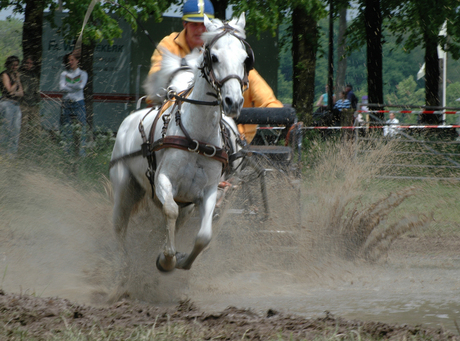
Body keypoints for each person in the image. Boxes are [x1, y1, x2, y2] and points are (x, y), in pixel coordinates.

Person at [148, 0, 283, 145]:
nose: (200, 30)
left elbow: (263, 95)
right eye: (194, 24)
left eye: (204, 25)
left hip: (232, 143)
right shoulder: (169, 45)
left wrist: (279, 116)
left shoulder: (227, 54)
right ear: (184, 24)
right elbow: (155, 85)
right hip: (175, 134)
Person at [59, 52, 88, 157]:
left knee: (81, 128)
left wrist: (68, 85)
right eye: (68, 60)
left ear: (77, 61)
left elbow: (81, 86)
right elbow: (61, 88)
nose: (70, 62)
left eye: (72, 60)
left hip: (79, 102)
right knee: (67, 128)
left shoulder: (83, 74)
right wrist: (74, 85)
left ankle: (81, 153)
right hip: (67, 103)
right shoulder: (64, 74)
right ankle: (66, 152)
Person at [0, 55, 24, 157]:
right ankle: (2, 153)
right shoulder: (5, 75)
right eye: (13, 65)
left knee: (16, 129)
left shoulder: (16, 76)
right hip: (6, 104)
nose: (15, 67)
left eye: (16, 65)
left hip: (16, 104)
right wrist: (16, 82)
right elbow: (9, 90)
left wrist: (16, 91)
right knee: (6, 128)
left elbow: (21, 93)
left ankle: (11, 155)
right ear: (8, 65)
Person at [19, 56, 42, 141]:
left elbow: (36, 90)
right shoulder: (20, 74)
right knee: (23, 126)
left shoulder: (34, 75)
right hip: (23, 104)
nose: (29, 65)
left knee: (36, 126)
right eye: (27, 63)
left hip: (34, 105)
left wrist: (39, 101)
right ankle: (22, 144)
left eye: (30, 63)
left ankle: (36, 143)